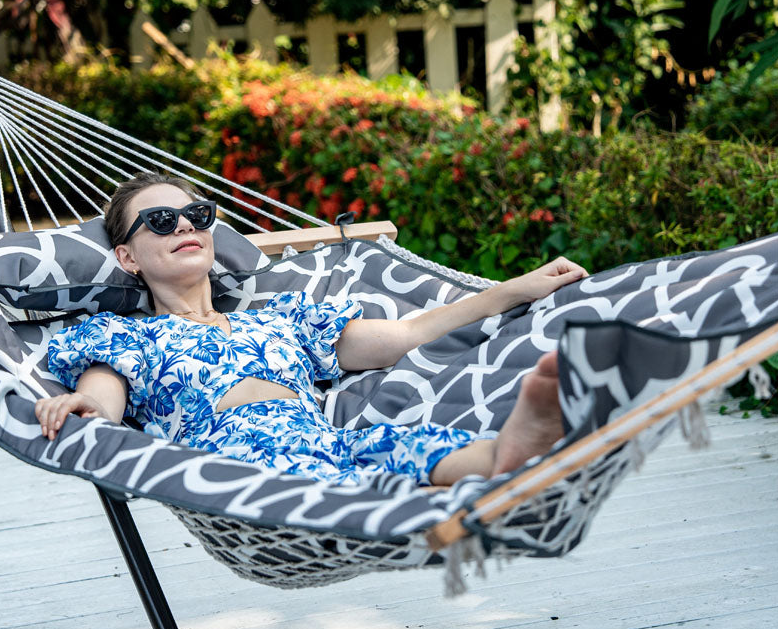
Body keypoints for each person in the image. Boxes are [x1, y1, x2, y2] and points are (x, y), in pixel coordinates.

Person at [35, 173, 589, 487]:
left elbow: (405, 335)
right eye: (160, 221)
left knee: (416, 446)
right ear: (128, 257)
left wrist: (517, 288)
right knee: (356, 487)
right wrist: (85, 410)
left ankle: (527, 455)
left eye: (198, 216)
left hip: (329, 444)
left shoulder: (282, 319)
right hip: (235, 463)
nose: (184, 224)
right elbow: (100, 403)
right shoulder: (122, 337)